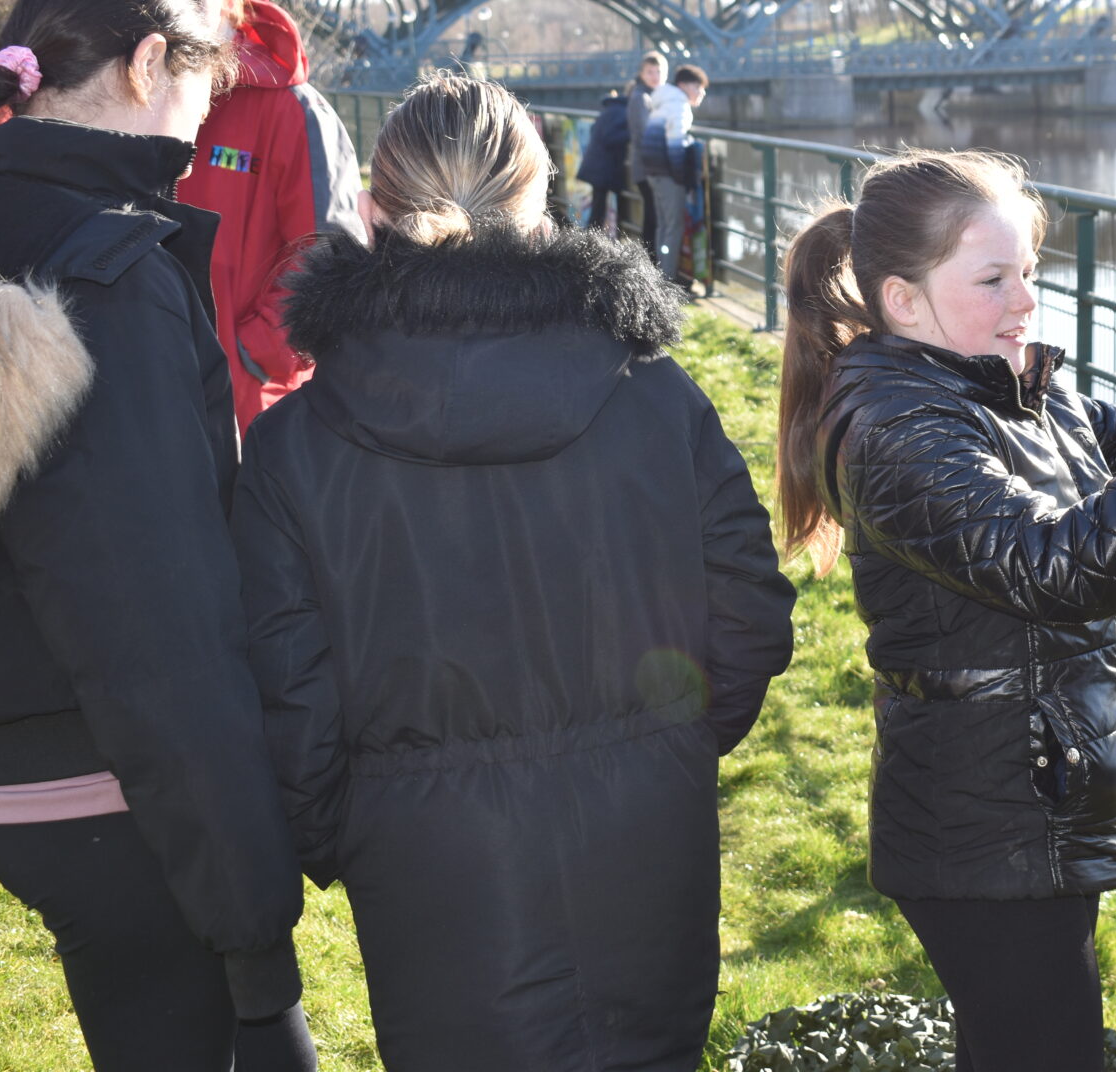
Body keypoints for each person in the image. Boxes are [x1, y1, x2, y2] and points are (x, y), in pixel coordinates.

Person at [231, 70, 796, 1071]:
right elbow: (748, 608)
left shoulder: (291, 449)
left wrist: (348, 831)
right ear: (545, 205)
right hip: (644, 838)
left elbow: (289, 693)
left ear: (372, 211)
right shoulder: (655, 396)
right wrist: (670, 746)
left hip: (428, 863)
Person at [776, 150, 1116, 1072]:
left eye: (1029, 272)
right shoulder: (896, 430)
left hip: (1035, 804)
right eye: (992, 280)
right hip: (982, 830)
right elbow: (1059, 564)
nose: (1026, 301)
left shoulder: (1020, 390)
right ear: (903, 300)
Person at [0, 0, 313, 1071]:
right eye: (201, 92)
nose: (202, 127)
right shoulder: (107, 273)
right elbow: (155, 621)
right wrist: (254, 928)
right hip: (101, 780)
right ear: (147, 64)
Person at [132, 0, 364, 436]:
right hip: (140, 403)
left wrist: (251, 358)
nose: (171, 13)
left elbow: (330, 259)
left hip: (249, 417)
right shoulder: (121, 100)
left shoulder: (293, 111)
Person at [640, 61, 708, 281]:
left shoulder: (662, 102)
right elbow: (674, 143)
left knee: (663, 225)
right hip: (668, 174)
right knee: (673, 227)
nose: (701, 92)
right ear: (684, 86)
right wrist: (681, 177)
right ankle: (666, 280)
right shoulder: (679, 105)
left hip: (653, 171)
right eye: (698, 87)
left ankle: (660, 273)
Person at [577, 86, 631, 236]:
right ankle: (592, 242)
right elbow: (609, 137)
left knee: (597, 209)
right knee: (598, 212)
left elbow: (596, 130)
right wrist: (632, 133)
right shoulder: (622, 112)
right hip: (604, 168)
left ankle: (590, 241)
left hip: (598, 165)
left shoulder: (611, 109)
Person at [628, 50, 667, 251]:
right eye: (650, 72)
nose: (655, 76)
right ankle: (649, 259)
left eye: (659, 72)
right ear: (642, 74)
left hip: (646, 166)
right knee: (653, 216)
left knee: (652, 215)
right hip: (647, 168)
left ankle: (649, 258)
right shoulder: (641, 98)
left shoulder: (648, 96)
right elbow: (644, 135)